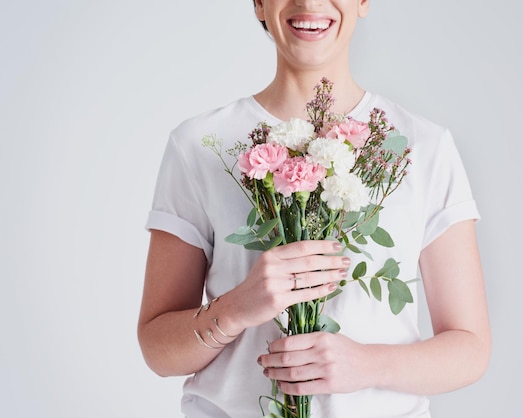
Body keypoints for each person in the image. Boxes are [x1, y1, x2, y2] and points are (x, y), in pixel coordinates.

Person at [138, 1, 491, 417]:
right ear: (258, 4)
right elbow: (158, 348)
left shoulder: (421, 146)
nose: (308, 2)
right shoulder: (198, 145)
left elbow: (470, 347)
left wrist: (366, 365)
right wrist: (235, 309)